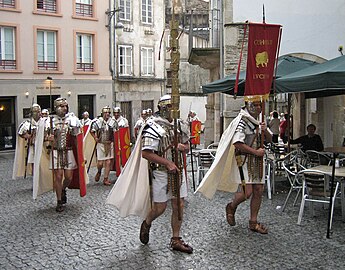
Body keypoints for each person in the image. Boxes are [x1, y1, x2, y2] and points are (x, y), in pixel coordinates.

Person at [106, 94, 193, 254]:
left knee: (179, 205)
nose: (174, 110)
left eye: (176, 106)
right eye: (171, 107)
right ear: (163, 108)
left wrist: (184, 147)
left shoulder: (180, 125)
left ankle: (176, 239)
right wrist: (167, 162)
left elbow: (188, 146)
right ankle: (147, 222)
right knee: (160, 207)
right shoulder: (153, 125)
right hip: (160, 172)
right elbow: (146, 153)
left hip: (178, 170)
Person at [195, 100, 272, 234]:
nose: (259, 108)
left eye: (260, 105)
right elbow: (237, 143)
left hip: (258, 161)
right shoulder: (242, 121)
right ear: (248, 105)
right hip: (245, 159)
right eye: (255, 105)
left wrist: (265, 131)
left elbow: (271, 140)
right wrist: (255, 152)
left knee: (258, 190)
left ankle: (253, 222)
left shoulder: (260, 120)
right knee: (247, 192)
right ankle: (231, 207)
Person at [45, 98, 83, 212]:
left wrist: (80, 155)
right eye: (62, 106)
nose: (65, 108)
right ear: (56, 107)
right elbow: (44, 138)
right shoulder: (49, 121)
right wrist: (48, 138)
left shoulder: (72, 119)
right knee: (58, 176)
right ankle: (59, 201)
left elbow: (77, 138)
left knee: (68, 177)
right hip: (56, 151)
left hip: (69, 151)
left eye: (66, 106)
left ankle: (62, 189)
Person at [12, 103, 42, 179]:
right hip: (32, 146)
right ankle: (35, 179)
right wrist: (27, 136)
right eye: (35, 111)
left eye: (39, 111)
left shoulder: (43, 122)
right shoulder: (27, 124)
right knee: (34, 163)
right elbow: (20, 132)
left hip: (42, 146)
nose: (38, 113)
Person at [90, 106, 119, 186]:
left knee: (108, 162)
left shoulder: (113, 122)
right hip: (101, 144)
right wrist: (95, 137)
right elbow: (92, 130)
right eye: (105, 113)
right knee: (100, 163)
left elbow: (117, 133)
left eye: (108, 113)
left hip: (110, 144)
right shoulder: (98, 122)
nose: (107, 114)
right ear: (102, 113)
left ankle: (106, 178)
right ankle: (99, 171)